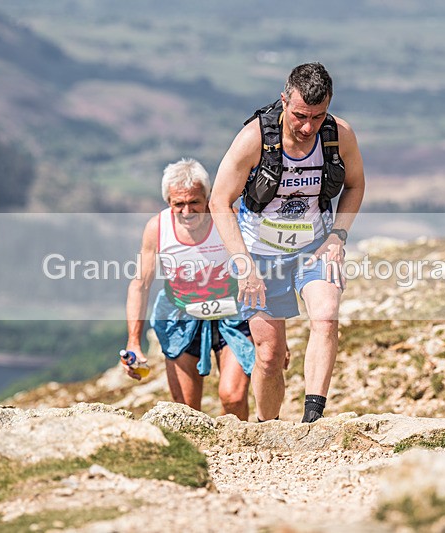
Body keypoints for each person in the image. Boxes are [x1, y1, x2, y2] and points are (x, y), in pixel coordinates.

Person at [209, 62, 365, 423]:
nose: (308, 127)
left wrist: (338, 237)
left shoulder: (339, 135)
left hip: (314, 247)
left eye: (318, 116)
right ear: (284, 101)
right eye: (300, 116)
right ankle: (268, 427)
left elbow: (355, 184)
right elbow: (219, 201)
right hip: (260, 255)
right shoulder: (254, 139)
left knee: (326, 318)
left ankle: (313, 419)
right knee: (270, 355)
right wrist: (243, 263)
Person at [124, 158, 255, 420]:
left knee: (233, 397)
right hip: (181, 316)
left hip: (233, 313)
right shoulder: (157, 228)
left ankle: (236, 443)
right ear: (168, 202)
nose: (187, 211)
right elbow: (140, 284)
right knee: (186, 409)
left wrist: (276, 337)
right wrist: (134, 342)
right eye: (178, 204)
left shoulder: (227, 219)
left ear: (208, 197)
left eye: (194, 202)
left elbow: (261, 269)